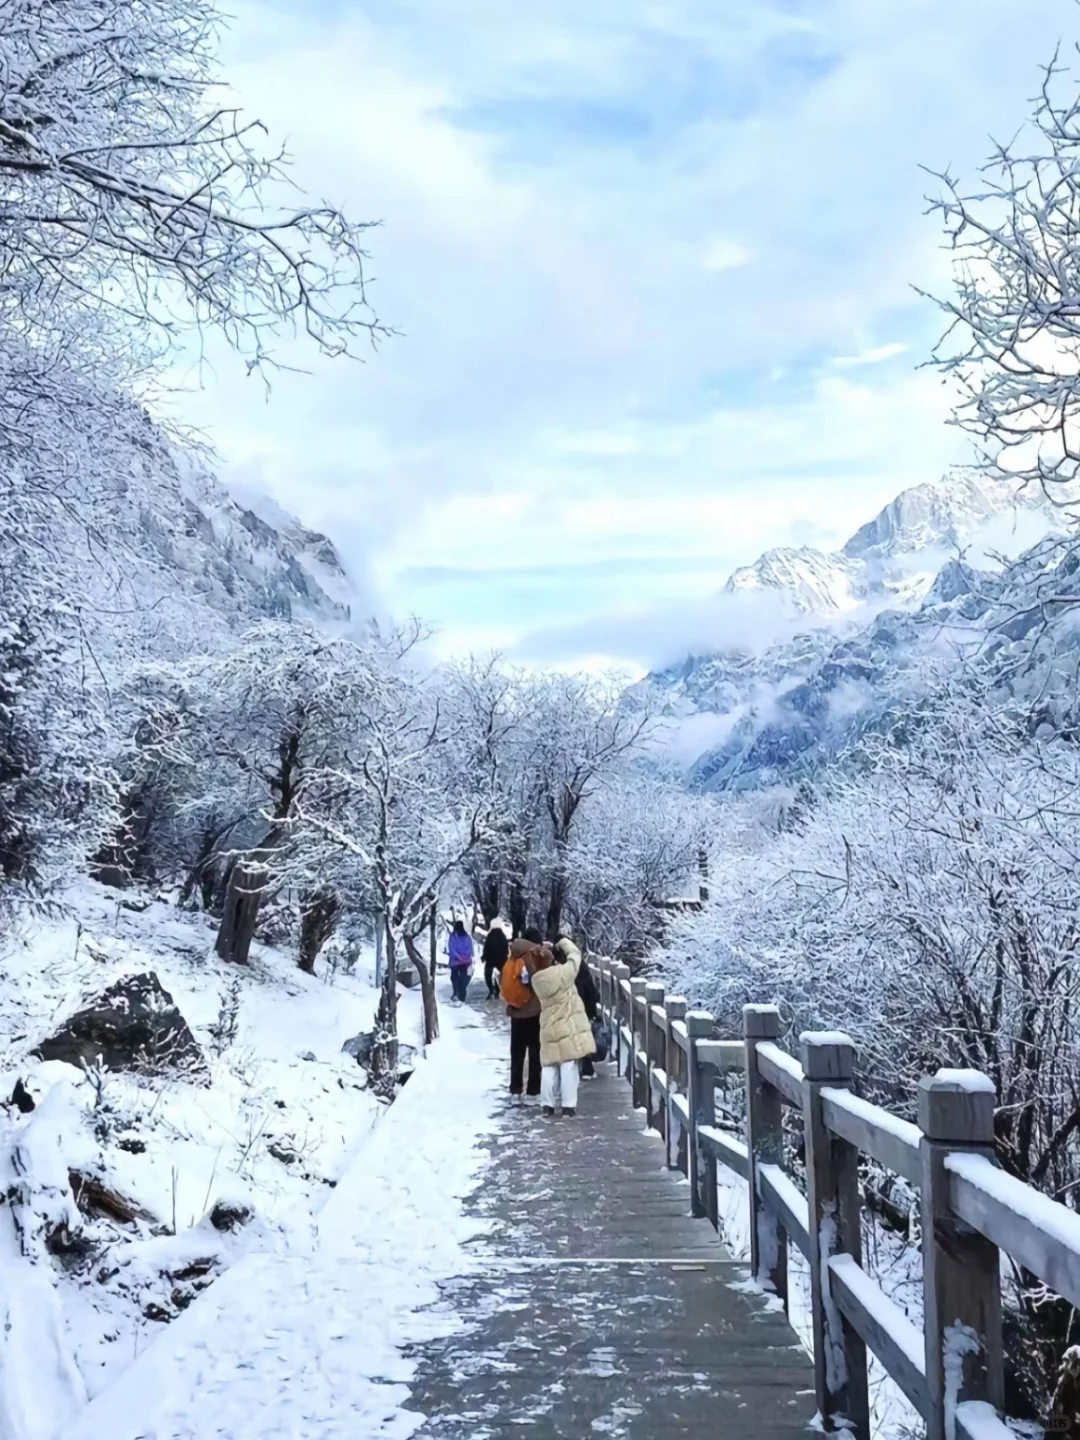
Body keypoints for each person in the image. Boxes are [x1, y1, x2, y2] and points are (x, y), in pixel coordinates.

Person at [527, 937, 594, 1117]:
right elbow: (575, 955)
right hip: (567, 1024)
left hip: (548, 1026)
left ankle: (547, 1105)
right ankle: (568, 1106)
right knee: (568, 1066)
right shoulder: (563, 974)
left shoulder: (537, 980)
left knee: (549, 1067)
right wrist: (563, 942)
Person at [500, 929, 544, 1100]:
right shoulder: (531, 957)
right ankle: (533, 1091)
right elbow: (537, 981)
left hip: (516, 1012)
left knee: (517, 1054)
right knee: (534, 1053)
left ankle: (515, 1090)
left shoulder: (513, 956)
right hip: (532, 1012)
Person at [564, 937, 599, 1079]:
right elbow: (590, 989)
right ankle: (586, 1069)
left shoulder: (561, 965)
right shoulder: (580, 965)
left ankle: (574, 1068)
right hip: (582, 1005)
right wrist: (592, 1012)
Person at [446, 919, 475, 1003]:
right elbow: (470, 949)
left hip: (455, 961)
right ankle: (462, 991)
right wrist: (466, 957)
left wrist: (458, 957)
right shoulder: (467, 937)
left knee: (454, 976)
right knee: (464, 976)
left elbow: (452, 948)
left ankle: (456, 992)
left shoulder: (453, 936)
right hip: (466, 961)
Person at [481, 923, 509, 998]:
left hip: (490, 959)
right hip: (501, 960)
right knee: (502, 975)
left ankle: (491, 989)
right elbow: (506, 949)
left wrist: (484, 957)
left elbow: (486, 948)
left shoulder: (490, 936)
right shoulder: (502, 937)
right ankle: (497, 989)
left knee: (487, 975)